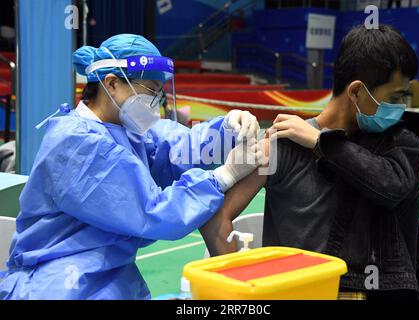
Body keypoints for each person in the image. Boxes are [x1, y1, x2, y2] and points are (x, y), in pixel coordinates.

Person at [0, 34, 263, 300]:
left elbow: (176, 147)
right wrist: (223, 176)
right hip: (60, 283)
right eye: (150, 90)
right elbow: (152, 211)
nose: (155, 101)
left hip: (111, 276)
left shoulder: (125, 128)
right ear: (111, 84)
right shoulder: (77, 144)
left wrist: (226, 129)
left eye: (159, 92)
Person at [200, 25, 419, 300]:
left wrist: (321, 141)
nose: (400, 108)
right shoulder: (283, 143)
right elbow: (215, 217)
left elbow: (390, 186)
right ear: (357, 92)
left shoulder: (398, 143)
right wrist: (248, 291)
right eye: (395, 97)